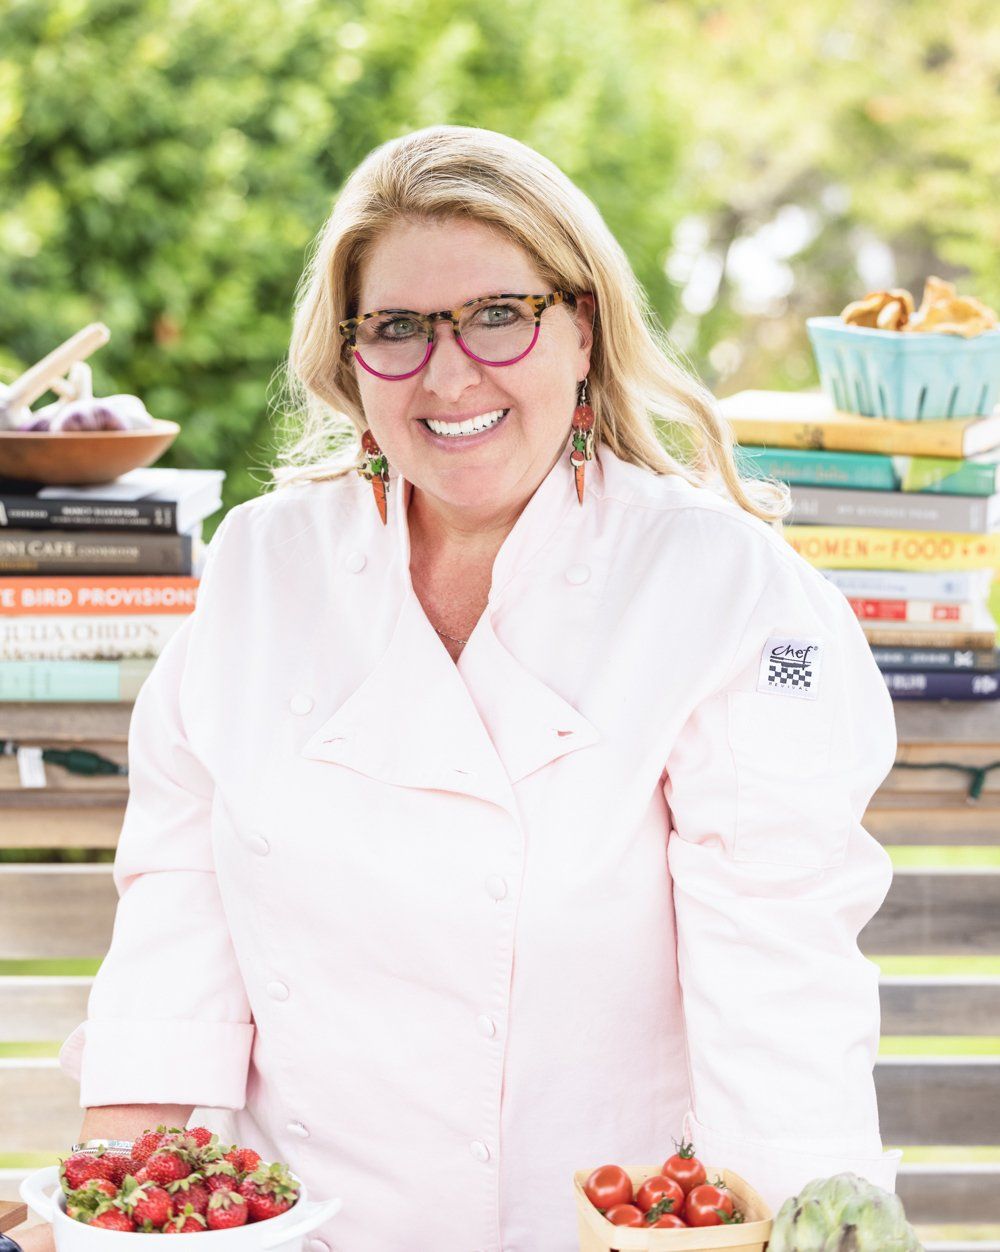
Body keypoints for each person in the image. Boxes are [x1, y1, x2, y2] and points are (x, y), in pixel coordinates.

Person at [31, 125, 900, 1252]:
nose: (449, 375)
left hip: (596, 1231)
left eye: (499, 314)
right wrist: (110, 1210)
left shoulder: (718, 585)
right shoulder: (261, 568)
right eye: (396, 327)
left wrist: (807, 1232)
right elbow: (176, 926)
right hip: (295, 1234)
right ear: (350, 359)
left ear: (581, 329)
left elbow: (777, 984)